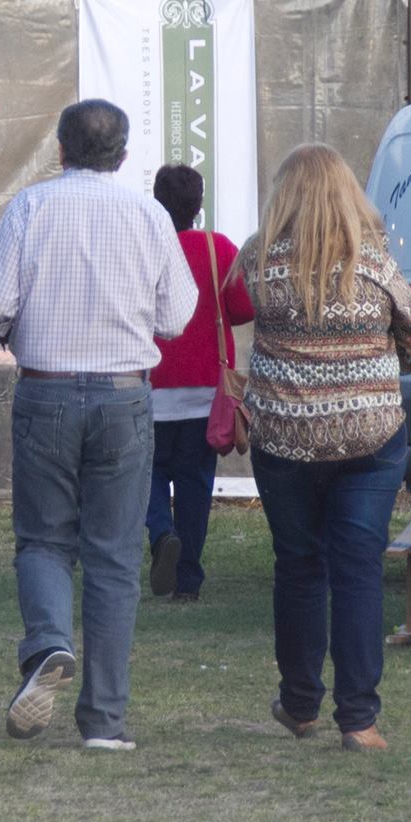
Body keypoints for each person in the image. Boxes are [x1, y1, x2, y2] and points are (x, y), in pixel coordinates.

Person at [0, 100, 197, 753]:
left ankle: (48, 642)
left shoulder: (30, 207)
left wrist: (6, 330)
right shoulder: (150, 215)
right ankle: (104, 720)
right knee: (116, 556)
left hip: (45, 390)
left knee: (43, 539)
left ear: (60, 149)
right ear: (124, 157)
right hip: (125, 395)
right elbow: (177, 313)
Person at [241, 145, 411, 753]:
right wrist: (372, 364)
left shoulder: (254, 264)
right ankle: (360, 721)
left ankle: (300, 705)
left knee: (299, 566)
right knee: (357, 572)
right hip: (368, 440)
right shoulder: (374, 263)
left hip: (283, 438)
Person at [146, 165, 255, 603]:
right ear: (198, 205)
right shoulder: (219, 249)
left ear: (156, 202)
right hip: (205, 393)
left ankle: (160, 534)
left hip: (150, 388)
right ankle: (187, 578)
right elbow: (244, 310)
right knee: (195, 485)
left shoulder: (145, 247)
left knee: (147, 476)